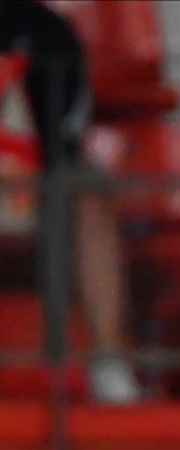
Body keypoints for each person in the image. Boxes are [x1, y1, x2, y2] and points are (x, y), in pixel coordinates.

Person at [0, 0, 136, 403]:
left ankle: (109, 364)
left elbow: (67, 133)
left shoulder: (44, 28)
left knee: (88, 191)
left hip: (38, 176)